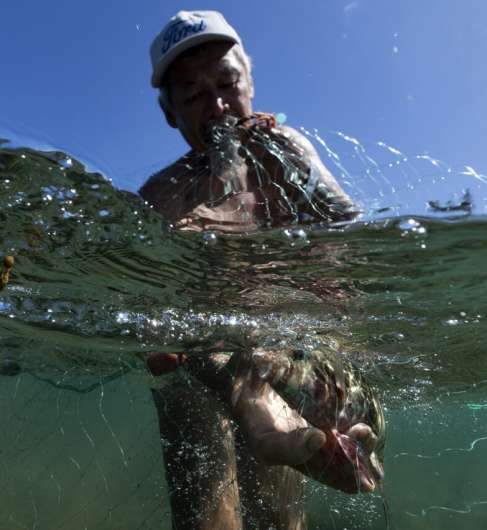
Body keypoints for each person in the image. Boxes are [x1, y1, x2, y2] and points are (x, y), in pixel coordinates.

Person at [140, 11, 377, 530]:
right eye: (194, 95)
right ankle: (254, 400)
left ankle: (262, 400)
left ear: (249, 81)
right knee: (205, 517)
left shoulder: (286, 151)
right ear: (169, 113)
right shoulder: (162, 192)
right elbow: (146, 290)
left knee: (277, 519)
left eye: (227, 84)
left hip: (274, 343)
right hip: (194, 356)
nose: (219, 106)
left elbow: (351, 239)